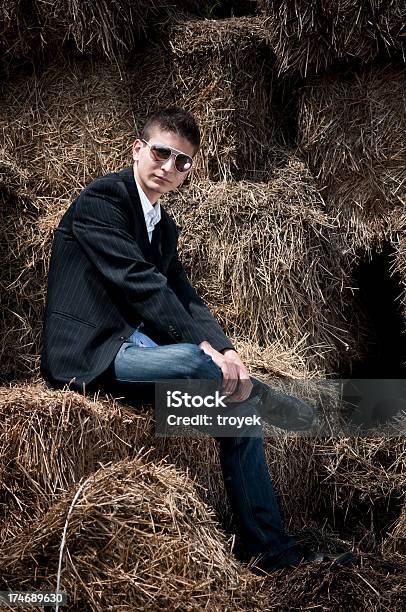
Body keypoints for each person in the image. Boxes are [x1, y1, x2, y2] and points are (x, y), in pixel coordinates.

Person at [41, 107, 356, 572]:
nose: (169, 167)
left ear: (190, 171)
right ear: (137, 149)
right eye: (161, 153)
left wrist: (226, 349)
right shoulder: (102, 200)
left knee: (238, 413)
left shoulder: (163, 227)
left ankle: (270, 549)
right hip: (92, 356)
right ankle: (270, 399)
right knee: (192, 359)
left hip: (137, 350)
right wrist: (205, 351)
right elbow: (141, 283)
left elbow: (183, 296)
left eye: (182, 162)